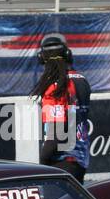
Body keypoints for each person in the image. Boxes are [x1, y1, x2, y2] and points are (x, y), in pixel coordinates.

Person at [30, 33, 91, 182]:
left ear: (42, 58)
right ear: (68, 55)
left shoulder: (55, 87)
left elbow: (57, 133)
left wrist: (43, 161)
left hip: (61, 162)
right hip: (80, 161)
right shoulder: (82, 81)